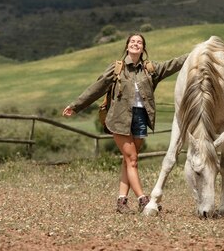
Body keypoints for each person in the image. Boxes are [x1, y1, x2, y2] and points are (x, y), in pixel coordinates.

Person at [62, 33, 187, 214]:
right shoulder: (117, 69)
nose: (136, 44)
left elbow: (174, 64)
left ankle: (121, 201)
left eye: (140, 42)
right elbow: (96, 89)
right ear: (127, 46)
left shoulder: (150, 69)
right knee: (133, 159)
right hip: (119, 118)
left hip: (141, 117)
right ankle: (144, 200)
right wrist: (76, 106)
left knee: (128, 161)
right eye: (133, 42)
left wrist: (197, 53)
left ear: (143, 48)